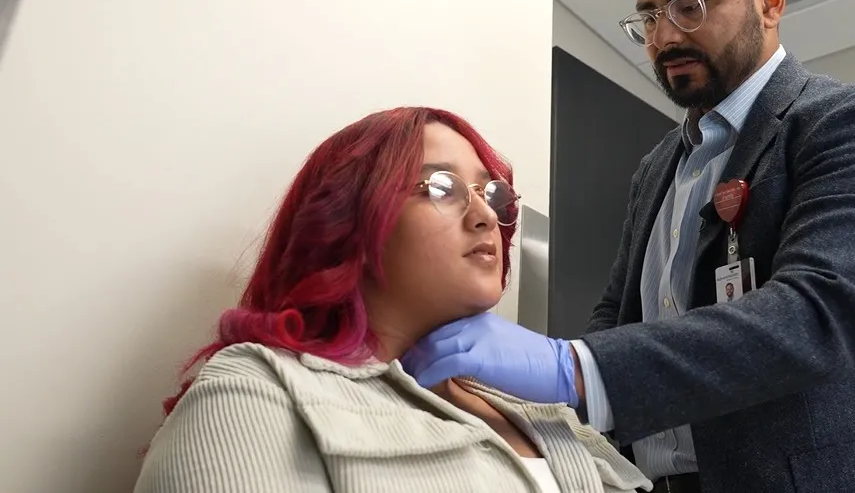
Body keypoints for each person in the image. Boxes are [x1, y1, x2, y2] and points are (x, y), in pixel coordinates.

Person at [401, 0, 855, 493]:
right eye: (649, 16)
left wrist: (571, 370)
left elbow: (820, 316)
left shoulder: (846, 121)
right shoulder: (659, 166)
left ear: (769, 0)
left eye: (689, 6)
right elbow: (617, 314)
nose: (664, 36)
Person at [134, 107, 651, 493]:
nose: (486, 216)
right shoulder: (257, 391)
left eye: (491, 194)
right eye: (443, 187)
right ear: (350, 223)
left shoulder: (534, 406)